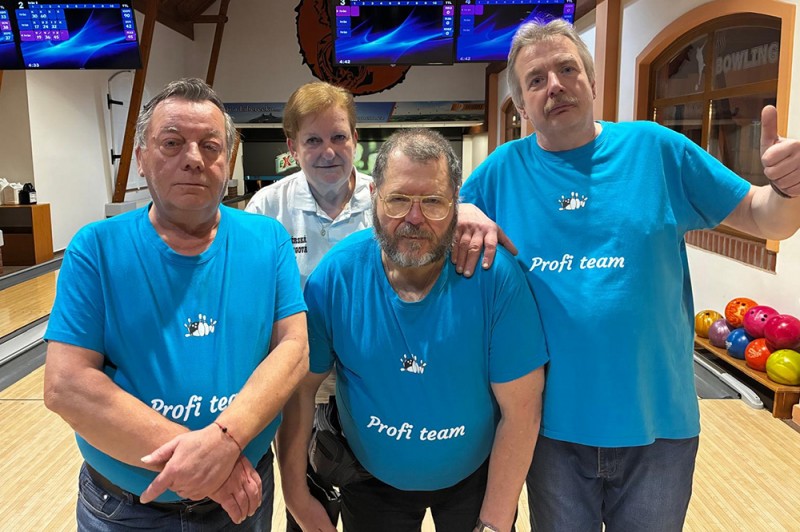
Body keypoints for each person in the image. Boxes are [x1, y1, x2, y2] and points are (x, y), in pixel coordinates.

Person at [460, 19, 800, 532]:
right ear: (522, 105)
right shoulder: (499, 172)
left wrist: (787, 190)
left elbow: (763, 217)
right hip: (552, 432)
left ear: (592, 82)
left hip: (658, 427)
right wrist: (460, 210)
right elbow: (442, 238)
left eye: (567, 69)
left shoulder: (656, 150)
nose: (554, 85)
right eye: (536, 80)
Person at [246, 81, 518, 531]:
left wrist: (466, 211)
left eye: (338, 137)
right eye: (312, 140)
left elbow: (435, 209)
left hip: (372, 382)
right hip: (308, 380)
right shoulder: (266, 209)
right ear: (292, 148)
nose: (328, 151)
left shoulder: (393, 191)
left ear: (355, 139)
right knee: (311, 514)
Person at [43, 78, 309, 531]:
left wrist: (225, 441)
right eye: (172, 143)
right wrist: (211, 464)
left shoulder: (268, 239)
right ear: (142, 158)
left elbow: (294, 349)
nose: (193, 158)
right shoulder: (95, 248)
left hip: (241, 502)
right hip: (127, 512)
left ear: (229, 159)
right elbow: (67, 385)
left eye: (210, 145)